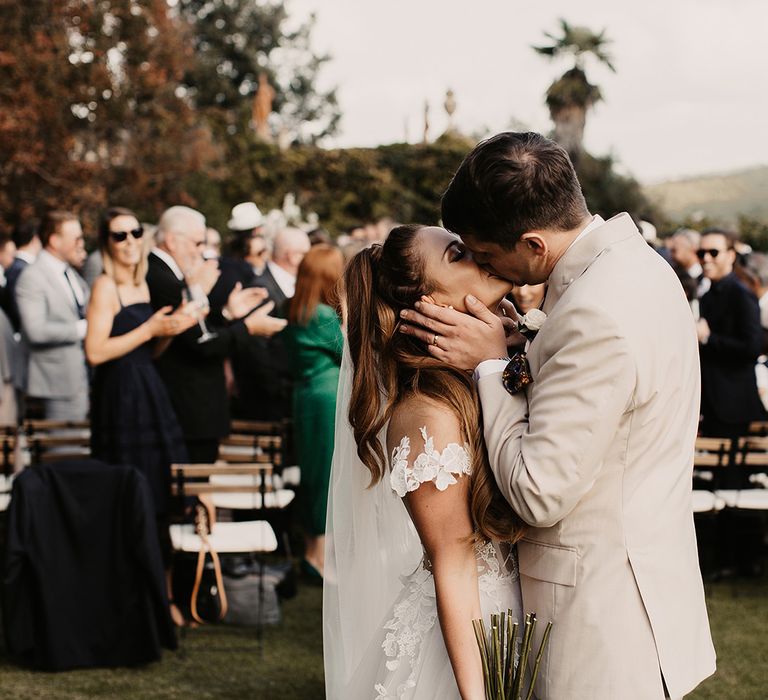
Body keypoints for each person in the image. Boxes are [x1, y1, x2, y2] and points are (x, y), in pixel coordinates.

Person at [399, 132, 715, 699]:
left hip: (603, 622)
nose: (488, 271)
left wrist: (495, 367)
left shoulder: (595, 311)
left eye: (488, 255)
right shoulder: (642, 266)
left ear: (533, 245)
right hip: (647, 590)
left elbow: (540, 492)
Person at [324, 225, 525, 699]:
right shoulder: (426, 415)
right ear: (428, 304)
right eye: (459, 255)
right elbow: (452, 564)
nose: (480, 252)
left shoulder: (487, 377)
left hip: (524, 612)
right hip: (473, 638)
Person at [85, 206, 197, 626]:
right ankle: (129, 599)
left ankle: (161, 597)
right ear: (106, 243)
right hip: (120, 399)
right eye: (120, 236)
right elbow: (95, 352)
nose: (130, 241)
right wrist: (149, 330)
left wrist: (168, 331)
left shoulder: (143, 285)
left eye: (135, 232)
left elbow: (146, 349)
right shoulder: (104, 287)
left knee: (159, 496)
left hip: (150, 392)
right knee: (130, 494)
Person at [147, 206, 284, 463]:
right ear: (173, 240)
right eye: (198, 243)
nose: (202, 251)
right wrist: (247, 328)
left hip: (196, 406)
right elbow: (201, 343)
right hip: (187, 404)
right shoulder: (163, 279)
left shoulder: (170, 276)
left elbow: (199, 330)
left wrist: (228, 314)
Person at [282, 245, 344, 581]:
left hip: (304, 395)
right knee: (325, 474)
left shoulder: (293, 309)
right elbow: (348, 353)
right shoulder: (323, 316)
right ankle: (316, 557)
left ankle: (311, 549)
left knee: (311, 471)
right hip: (327, 396)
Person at [15, 210, 90, 421]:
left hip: (81, 379)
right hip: (55, 384)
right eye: (76, 238)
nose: (81, 243)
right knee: (62, 450)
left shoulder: (72, 274)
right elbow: (35, 331)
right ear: (55, 241)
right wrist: (82, 329)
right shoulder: (32, 277)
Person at [232, 226, 310, 420]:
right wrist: (282, 391)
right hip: (272, 402)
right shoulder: (261, 288)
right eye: (306, 255)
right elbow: (254, 350)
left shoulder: (288, 284)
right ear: (293, 256)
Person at [697, 229, 764, 442]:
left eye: (714, 252)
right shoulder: (708, 296)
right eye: (701, 252)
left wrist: (708, 338)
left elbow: (753, 347)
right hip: (711, 404)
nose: (706, 258)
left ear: (731, 255)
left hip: (733, 405)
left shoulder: (740, 294)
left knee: (732, 475)